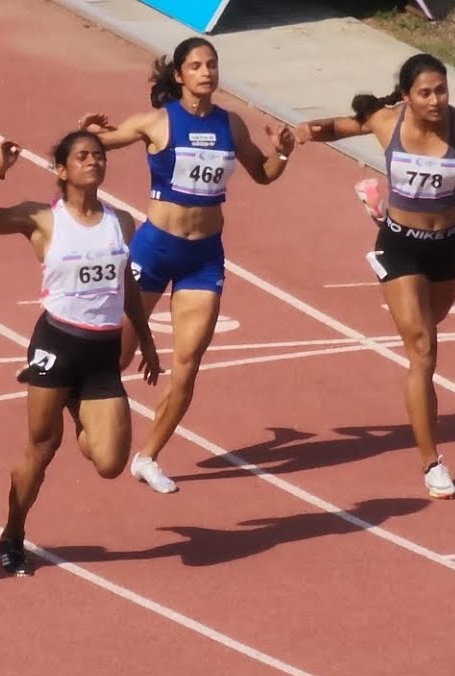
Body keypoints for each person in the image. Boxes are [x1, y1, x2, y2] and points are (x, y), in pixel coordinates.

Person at [293, 53, 455, 499]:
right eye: (425, 93)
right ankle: (432, 462)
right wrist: (305, 132)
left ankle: (377, 204)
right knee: (423, 349)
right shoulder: (386, 121)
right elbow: (336, 127)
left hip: (447, 245)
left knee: (434, 321)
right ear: (407, 96)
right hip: (400, 245)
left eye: (441, 91)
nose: (435, 101)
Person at [77, 37, 297, 494]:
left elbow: (263, 174)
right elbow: (95, 147)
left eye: (211, 64)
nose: (207, 72)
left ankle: (148, 456)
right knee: (119, 356)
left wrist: (282, 152)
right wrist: (88, 133)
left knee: (188, 363)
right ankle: (87, 412)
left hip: (204, 257)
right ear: (179, 76)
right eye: (196, 66)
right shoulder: (158, 122)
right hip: (154, 251)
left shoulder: (231, 124)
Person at [0, 132, 162, 576]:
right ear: (62, 170)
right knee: (43, 447)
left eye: (99, 156)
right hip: (57, 346)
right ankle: (13, 533)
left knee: (110, 463)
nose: (94, 162)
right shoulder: (42, 219)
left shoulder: (122, 222)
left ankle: (76, 405)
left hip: (103, 353)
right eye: (83, 156)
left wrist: (145, 338)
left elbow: (125, 283)